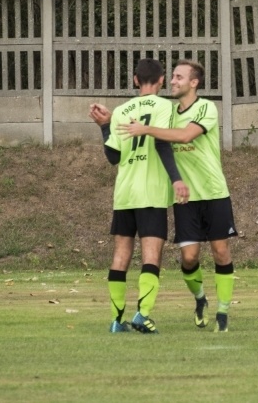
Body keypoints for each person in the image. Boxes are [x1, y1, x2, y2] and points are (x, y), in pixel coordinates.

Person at [120, 59, 237, 333]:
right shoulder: (169, 112)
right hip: (185, 198)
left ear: (194, 83)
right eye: (172, 76)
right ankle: (200, 299)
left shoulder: (206, 107)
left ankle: (222, 313)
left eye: (179, 77)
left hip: (214, 192)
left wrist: (146, 129)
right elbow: (160, 142)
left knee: (221, 252)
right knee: (189, 258)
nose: (172, 81)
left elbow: (185, 136)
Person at [88, 58, 189, 334]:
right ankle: (142, 315)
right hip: (150, 192)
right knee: (151, 255)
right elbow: (162, 144)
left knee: (120, 255)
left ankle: (116, 320)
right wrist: (176, 178)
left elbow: (113, 156)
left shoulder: (121, 111)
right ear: (161, 80)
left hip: (124, 193)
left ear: (135, 80)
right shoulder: (165, 106)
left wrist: (104, 126)